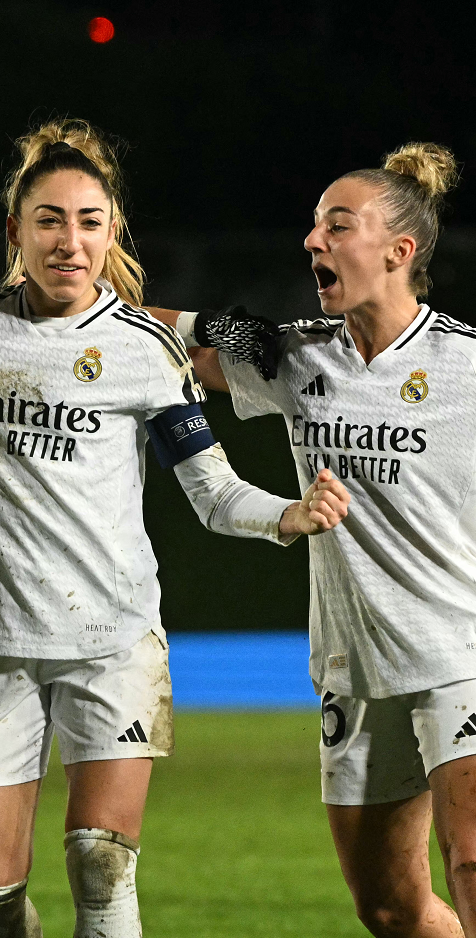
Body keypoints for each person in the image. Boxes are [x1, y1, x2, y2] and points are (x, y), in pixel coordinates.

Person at [0, 119, 351, 938]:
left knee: (102, 866)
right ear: (15, 231)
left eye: (90, 222)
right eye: (50, 220)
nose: (70, 241)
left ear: (112, 232)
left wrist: (285, 514)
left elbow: (210, 490)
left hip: (112, 641)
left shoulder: (142, 350)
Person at [172, 143, 476, 938]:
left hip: (461, 654)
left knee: (472, 859)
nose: (313, 241)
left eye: (338, 226)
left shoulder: (467, 367)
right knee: (389, 908)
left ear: (398, 252)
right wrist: (203, 322)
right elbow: (158, 353)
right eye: (313, 227)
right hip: (354, 664)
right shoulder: (299, 355)